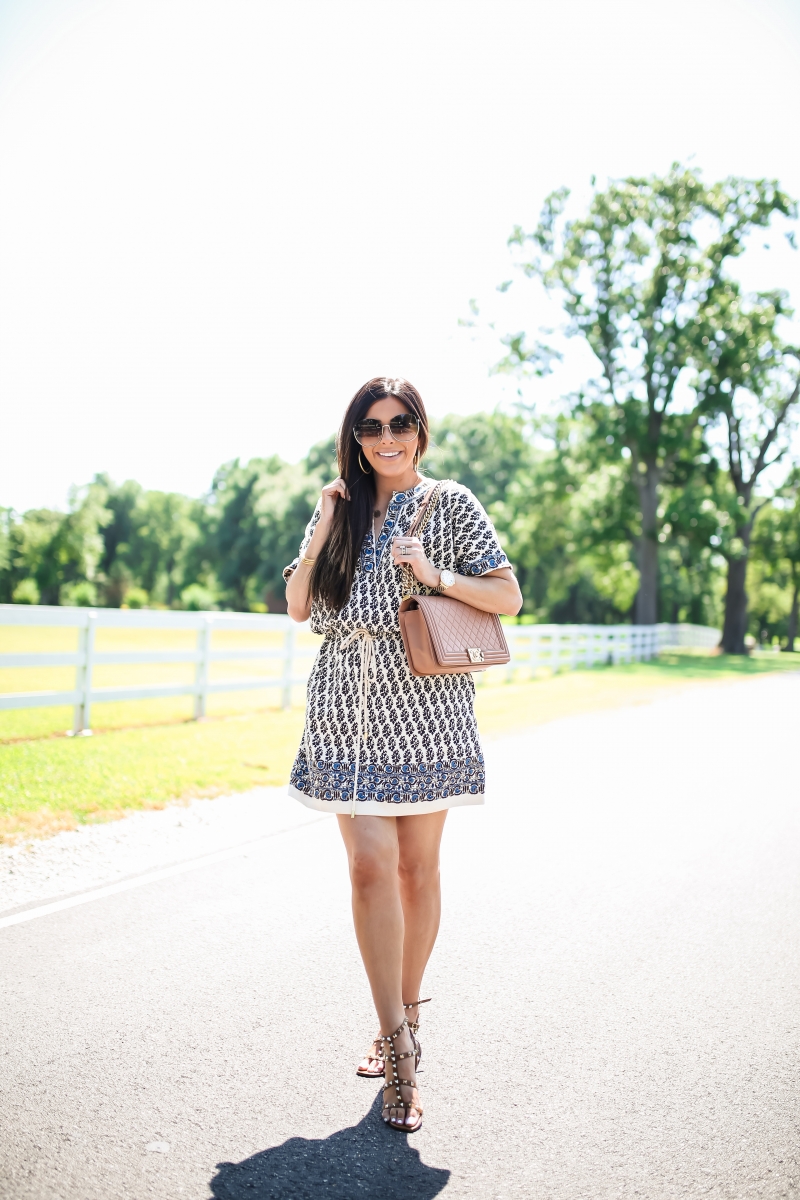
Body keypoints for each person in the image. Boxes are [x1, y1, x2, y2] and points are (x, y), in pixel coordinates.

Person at [284, 377, 521, 1132]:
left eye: (400, 423)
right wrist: (323, 522)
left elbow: (507, 595)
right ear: (354, 437)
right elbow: (298, 606)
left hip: (426, 709)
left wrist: (436, 575)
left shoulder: (449, 502)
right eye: (371, 427)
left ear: (420, 429)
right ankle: (398, 1052)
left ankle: (406, 1013)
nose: (387, 438)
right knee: (366, 866)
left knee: (418, 870)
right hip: (344, 709)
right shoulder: (341, 509)